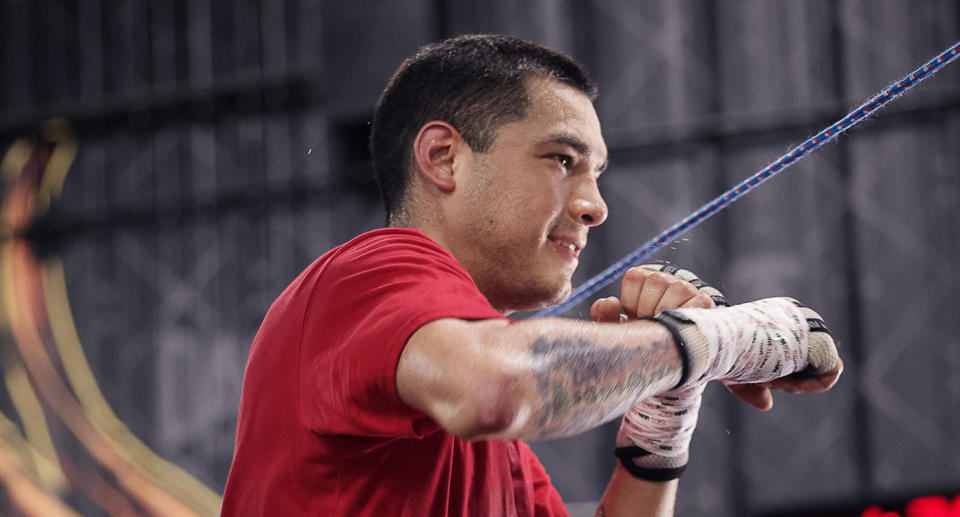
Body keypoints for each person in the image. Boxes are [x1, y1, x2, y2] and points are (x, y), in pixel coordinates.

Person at [220, 34, 842, 517]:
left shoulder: (484, 443)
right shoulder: (369, 271)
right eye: (563, 159)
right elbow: (496, 389)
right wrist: (719, 340)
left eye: (597, 173)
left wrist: (662, 415)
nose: (595, 206)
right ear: (444, 157)